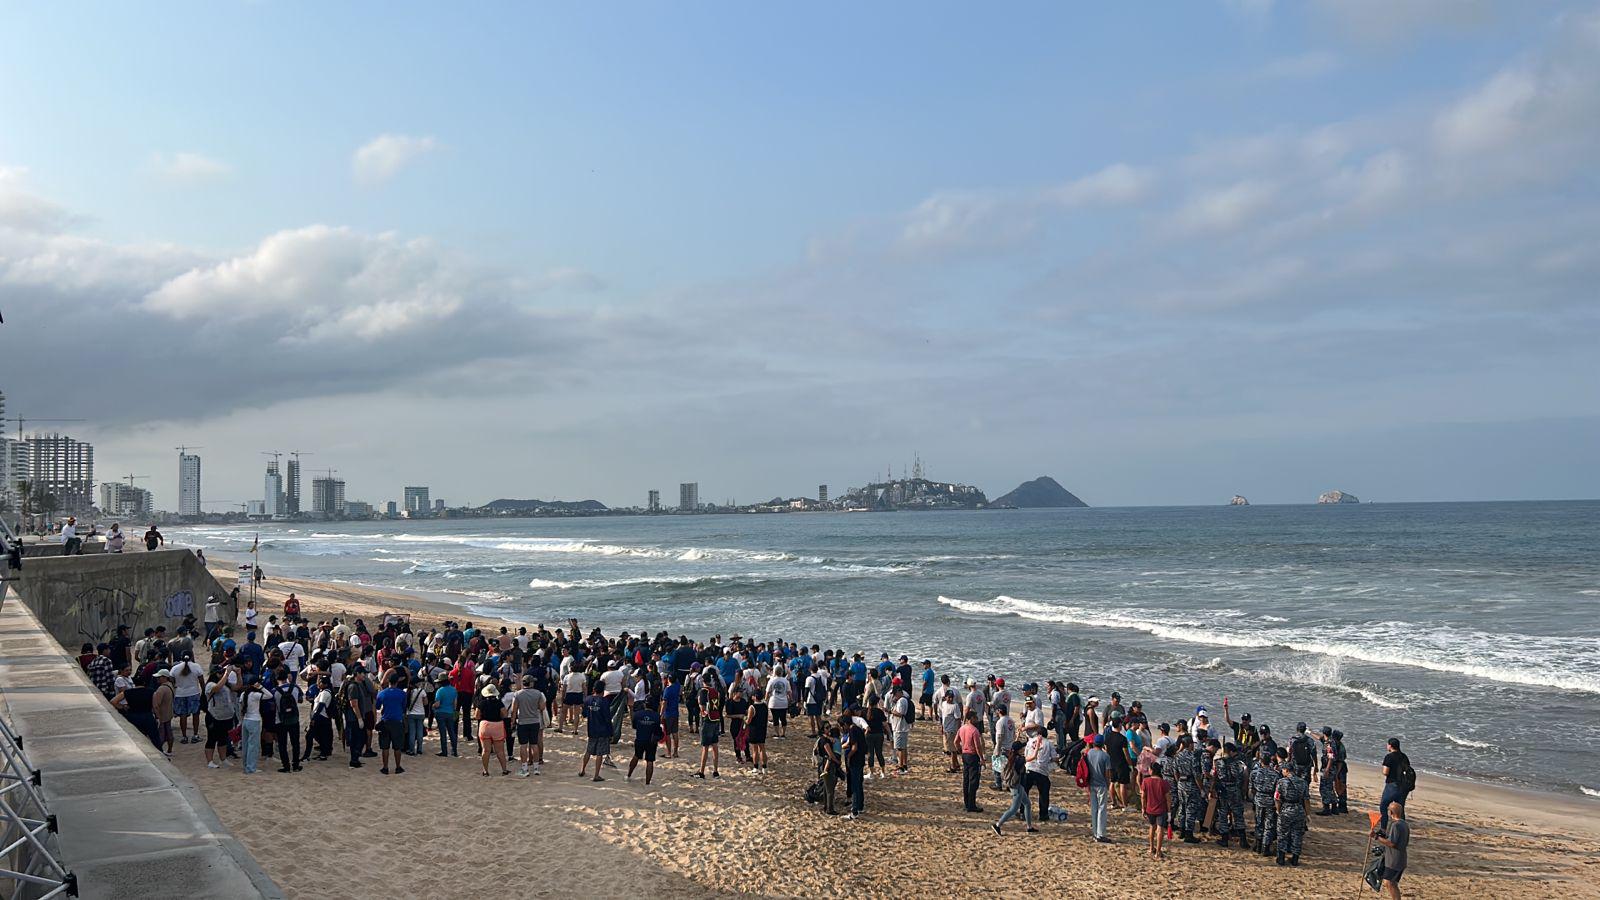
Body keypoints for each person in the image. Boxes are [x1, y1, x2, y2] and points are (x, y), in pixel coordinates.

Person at [992, 737, 1036, 835]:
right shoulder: (1019, 759)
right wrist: (1036, 750)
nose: (1023, 749)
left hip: (1017, 786)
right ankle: (998, 825)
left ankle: (1029, 827)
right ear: (1019, 750)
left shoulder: (1011, 756)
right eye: (1022, 748)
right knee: (1013, 809)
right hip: (1016, 787)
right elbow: (1031, 758)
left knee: (1027, 804)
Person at [1274, 760, 1310, 866]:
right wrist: (1308, 814)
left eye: (1283, 770)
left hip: (1286, 809)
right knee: (1297, 835)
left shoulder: (1281, 782)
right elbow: (1306, 800)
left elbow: (1277, 798)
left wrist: (1278, 810)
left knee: (1282, 834)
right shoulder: (1303, 782)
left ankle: (1281, 858)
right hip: (1299, 809)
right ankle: (1295, 859)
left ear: (1286, 770)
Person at [1372, 800, 1410, 899]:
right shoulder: (1404, 824)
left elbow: (1391, 843)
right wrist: (1383, 836)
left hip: (1394, 860)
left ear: (1391, 813)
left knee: (1389, 883)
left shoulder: (1396, 825)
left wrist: (1376, 837)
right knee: (1391, 883)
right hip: (1399, 859)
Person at [511, 674, 545, 776]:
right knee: (534, 745)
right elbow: (542, 707)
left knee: (523, 745)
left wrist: (512, 722)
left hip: (522, 722)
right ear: (530, 683)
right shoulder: (538, 693)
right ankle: (536, 768)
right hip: (535, 721)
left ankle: (524, 768)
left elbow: (514, 710)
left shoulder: (517, 694)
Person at [627, 691, 663, 784]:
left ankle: (628, 775)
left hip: (640, 739)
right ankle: (647, 782)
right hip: (651, 741)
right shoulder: (656, 716)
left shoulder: (638, 714)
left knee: (636, 756)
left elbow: (634, 726)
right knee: (650, 761)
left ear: (644, 704)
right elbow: (658, 729)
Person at [375, 672, 407, 775]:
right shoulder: (402, 694)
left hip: (386, 721)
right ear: (397, 682)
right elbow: (403, 708)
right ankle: (398, 767)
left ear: (388, 681)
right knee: (397, 746)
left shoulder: (382, 693)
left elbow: (377, 707)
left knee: (385, 746)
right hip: (397, 721)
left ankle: (385, 767)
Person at [1023, 722, 1055, 824]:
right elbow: (1054, 757)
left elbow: (1026, 754)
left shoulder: (1030, 741)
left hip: (1029, 768)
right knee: (1043, 793)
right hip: (1041, 771)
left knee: (1025, 791)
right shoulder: (1049, 744)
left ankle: (1022, 812)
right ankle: (1043, 814)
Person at [272, 668, 303, 772]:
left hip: (280, 720)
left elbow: (273, 706)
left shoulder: (274, 691)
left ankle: (286, 766)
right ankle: (296, 764)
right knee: (295, 743)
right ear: (287, 677)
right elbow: (300, 699)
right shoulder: (295, 687)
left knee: (282, 744)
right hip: (294, 718)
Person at [580, 681, 612, 781]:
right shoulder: (604, 701)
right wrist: (611, 732)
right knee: (600, 753)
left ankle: (582, 769)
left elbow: (584, 714)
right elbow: (607, 718)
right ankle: (596, 775)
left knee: (588, 751)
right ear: (603, 690)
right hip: (603, 731)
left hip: (592, 729)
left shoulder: (588, 699)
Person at [1378, 737, 1412, 831]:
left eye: (1387, 744)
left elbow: (1385, 772)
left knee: (1383, 805)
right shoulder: (1404, 756)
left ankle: (1383, 829)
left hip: (1392, 785)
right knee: (1400, 808)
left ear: (1390, 745)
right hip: (1404, 786)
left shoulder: (1389, 757)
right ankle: (1402, 829)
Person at [476, 683, 510, 776]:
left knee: (485, 750)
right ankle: (504, 770)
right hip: (497, 725)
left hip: (485, 725)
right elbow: (505, 714)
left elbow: (477, 715)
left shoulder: (482, 703)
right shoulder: (499, 702)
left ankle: (485, 771)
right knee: (500, 751)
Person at [1085, 733, 1113, 843]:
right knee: (1102, 809)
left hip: (1091, 783)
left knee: (1094, 809)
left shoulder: (1089, 753)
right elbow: (1107, 773)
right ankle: (1100, 834)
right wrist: (1107, 784)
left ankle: (1095, 833)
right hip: (1101, 785)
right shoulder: (1105, 756)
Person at [956, 710, 985, 813]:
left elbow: (956, 742)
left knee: (966, 779)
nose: (976, 719)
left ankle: (967, 802)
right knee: (973, 781)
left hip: (965, 754)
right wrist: (981, 758)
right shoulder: (974, 731)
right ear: (970, 718)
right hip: (973, 755)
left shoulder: (962, 728)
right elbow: (978, 746)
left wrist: (961, 750)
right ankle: (971, 804)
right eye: (975, 718)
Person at [840, 709, 867, 819]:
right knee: (859, 783)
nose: (842, 729)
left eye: (842, 726)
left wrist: (849, 756)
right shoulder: (857, 729)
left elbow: (854, 747)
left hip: (855, 760)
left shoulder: (852, 730)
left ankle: (854, 811)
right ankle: (860, 806)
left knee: (855, 785)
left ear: (846, 724)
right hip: (860, 759)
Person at [1143, 760, 1171, 858]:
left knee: (1152, 827)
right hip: (1161, 809)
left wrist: (1143, 808)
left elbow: (1143, 796)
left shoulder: (1146, 781)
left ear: (1151, 770)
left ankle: (1151, 848)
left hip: (1150, 808)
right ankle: (1158, 851)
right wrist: (1169, 812)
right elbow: (1168, 799)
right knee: (1160, 829)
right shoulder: (1164, 783)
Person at [816, 724, 844, 815]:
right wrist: (837, 762)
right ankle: (829, 809)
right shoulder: (825, 741)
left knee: (826, 787)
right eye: (827, 728)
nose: (829, 729)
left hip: (823, 763)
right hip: (828, 763)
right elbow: (830, 755)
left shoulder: (823, 739)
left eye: (829, 728)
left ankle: (826, 806)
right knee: (830, 788)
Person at [238, 677, 264, 774]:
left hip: (246, 719)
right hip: (254, 720)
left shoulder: (243, 694)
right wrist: (261, 687)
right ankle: (251, 768)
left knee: (245, 744)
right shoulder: (256, 695)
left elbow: (240, 708)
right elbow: (269, 695)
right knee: (253, 746)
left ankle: (246, 765)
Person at [432, 674, 458, 757]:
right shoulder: (454, 690)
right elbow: (455, 704)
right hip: (450, 713)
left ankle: (444, 751)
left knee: (443, 733)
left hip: (440, 713)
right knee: (451, 732)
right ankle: (454, 751)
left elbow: (438, 704)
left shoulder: (440, 691)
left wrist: (433, 706)